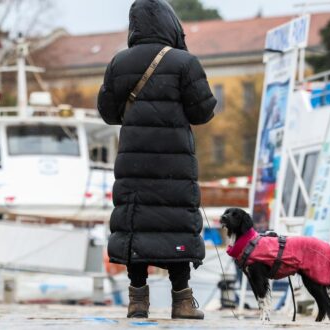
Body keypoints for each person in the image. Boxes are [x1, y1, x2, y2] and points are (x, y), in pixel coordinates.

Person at [97, 0, 217, 319]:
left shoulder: (119, 63)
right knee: (174, 222)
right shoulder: (184, 62)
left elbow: (108, 113)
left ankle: (137, 299)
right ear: (169, 24)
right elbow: (203, 112)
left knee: (136, 223)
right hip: (174, 163)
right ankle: (182, 299)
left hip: (134, 160)